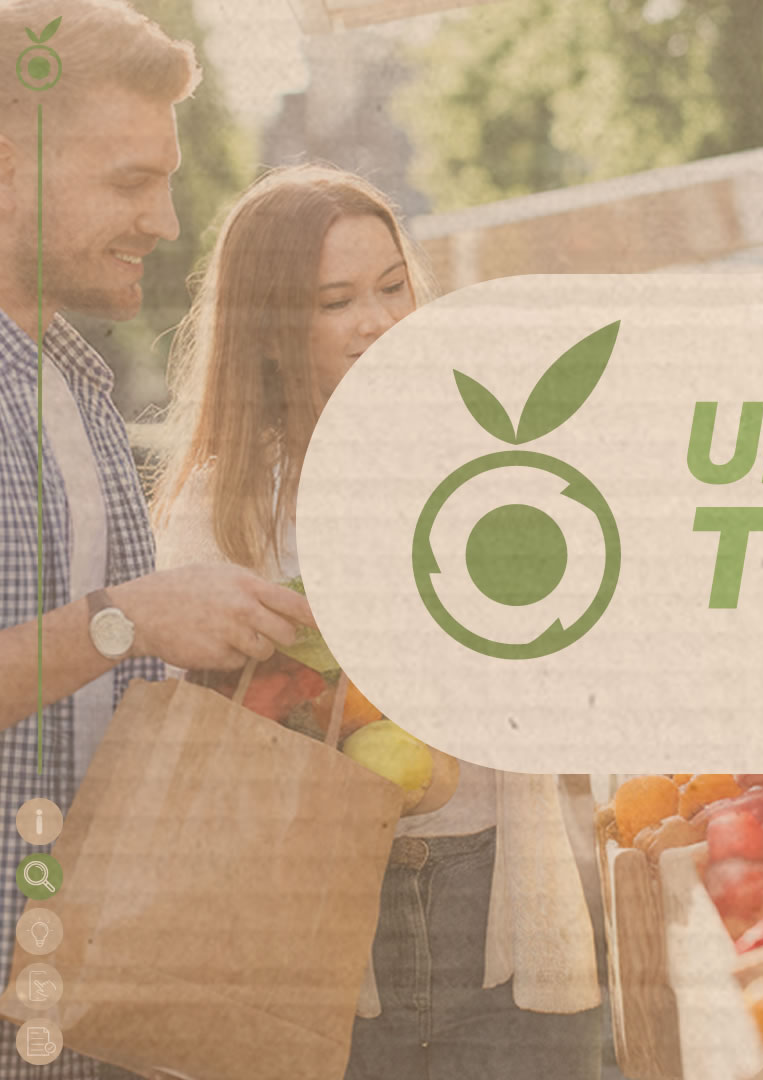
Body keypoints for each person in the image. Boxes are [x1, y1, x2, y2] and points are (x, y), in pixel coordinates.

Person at [148, 164, 604, 1080]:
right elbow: (209, 743)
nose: (379, 321)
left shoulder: (491, 455)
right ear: (272, 331)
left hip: (501, 894)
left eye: (393, 287)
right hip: (321, 921)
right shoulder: (223, 506)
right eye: (337, 301)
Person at [0, 3, 313, 1076]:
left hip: (84, 1015)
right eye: (130, 182)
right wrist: (127, 619)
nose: (169, 223)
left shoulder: (79, 393)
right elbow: (105, 633)